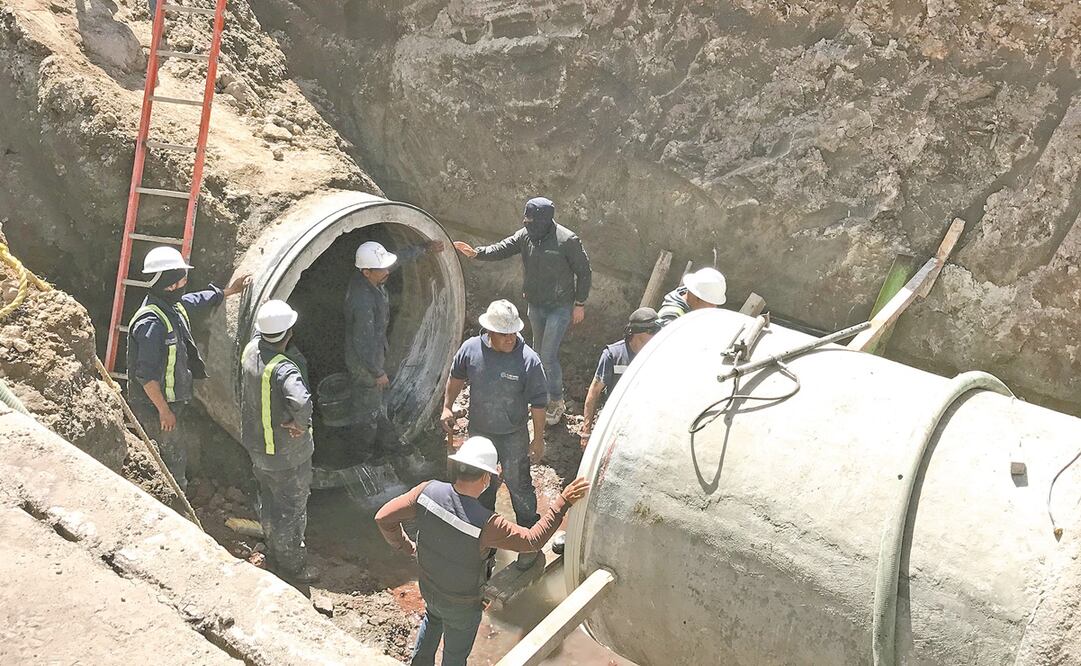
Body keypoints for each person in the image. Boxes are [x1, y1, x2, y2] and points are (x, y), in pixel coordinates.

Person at [375, 436, 591, 666]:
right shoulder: (487, 524)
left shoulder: (426, 492)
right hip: (462, 605)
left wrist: (407, 547)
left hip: (430, 588)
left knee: (433, 618)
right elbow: (532, 541)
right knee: (455, 657)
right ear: (487, 477)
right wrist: (561, 504)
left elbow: (383, 517)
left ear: (458, 467)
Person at [453, 197, 592, 425]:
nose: (528, 226)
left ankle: (556, 401)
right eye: (526, 222)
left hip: (559, 307)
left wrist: (580, 303)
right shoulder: (525, 235)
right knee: (537, 354)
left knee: (547, 356)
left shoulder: (567, 240)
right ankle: (539, 396)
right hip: (536, 305)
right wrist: (477, 253)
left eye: (533, 222)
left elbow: (584, 272)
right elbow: (503, 248)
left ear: (546, 221)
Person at [127, 246, 250, 493]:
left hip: (172, 400)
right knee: (169, 457)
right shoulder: (151, 323)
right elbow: (146, 376)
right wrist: (164, 411)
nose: (185, 282)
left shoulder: (171, 304)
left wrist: (229, 292)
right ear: (169, 283)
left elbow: (196, 300)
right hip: (155, 405)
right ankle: (173, 500)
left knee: (175, 449)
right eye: (181, 278)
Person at [441, 299, 548, 570]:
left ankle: (529, 540)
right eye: (504, 334)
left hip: (513, 435)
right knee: (480, 487)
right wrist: (446, 407)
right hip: (480, 433)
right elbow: (455, 377)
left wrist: (537, 439)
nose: (511, 338)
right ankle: (483, 541)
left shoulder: (528, 360)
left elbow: (538, 403)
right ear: (489, 332)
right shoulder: (471, 349)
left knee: (518, 485)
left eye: (513, 333)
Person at [239, 300, 318, 583]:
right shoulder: (284, 368)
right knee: (291, 511)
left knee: (269, 501)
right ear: (288, 334)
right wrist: (300, 423)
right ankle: (292, 568)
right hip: (286, 454)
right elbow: (302, 401)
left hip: (257, 447)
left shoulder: (250, 352)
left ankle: (272, 548)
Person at [344, 239, 444, 454]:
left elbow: (396, 260)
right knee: (368, 409)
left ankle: (384, 440)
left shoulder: (374, 277)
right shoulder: (362, 301)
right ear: (366, 272)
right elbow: (363, 342)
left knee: (379, 402)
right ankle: (365, 453)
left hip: (375, 350)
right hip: (364, 365)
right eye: (382, 269)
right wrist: (377, 372)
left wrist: (424, 248)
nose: (387, 271)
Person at [579, 307, 661, 448]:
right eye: (649, 334)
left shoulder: (658, 355)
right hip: (614, 420)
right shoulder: (613, 355)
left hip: (644, 422)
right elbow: (594, 391)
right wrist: (587, 431)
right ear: (635, 334)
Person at [657, 267, 727, 325]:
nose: (714, 308)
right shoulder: (671, 318)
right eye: (711, 303)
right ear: (696, 298)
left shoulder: (693, 307)